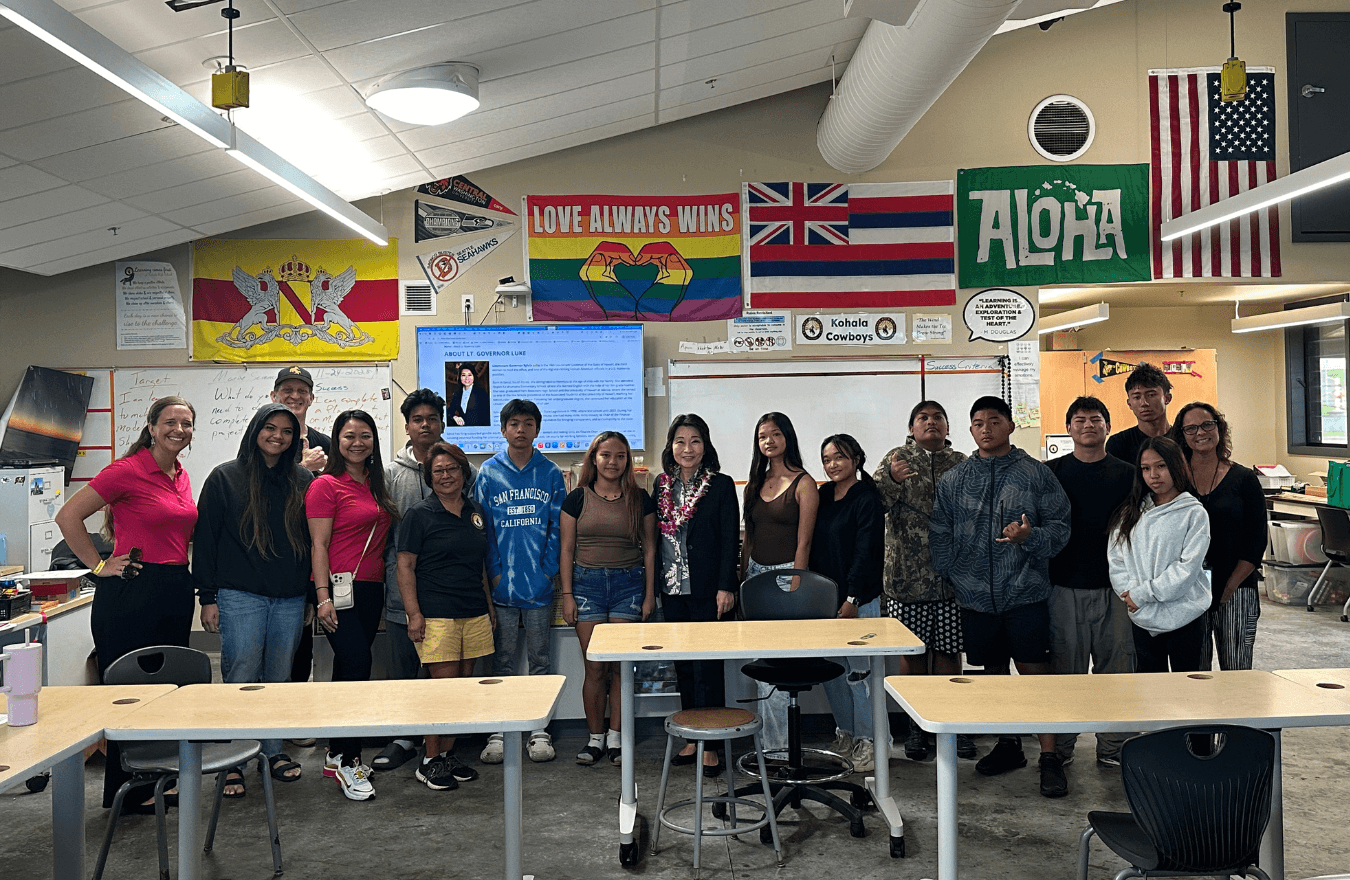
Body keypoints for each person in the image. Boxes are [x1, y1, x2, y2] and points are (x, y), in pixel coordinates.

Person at [54, 396, 198, 814]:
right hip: (132, 589)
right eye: (170, 422)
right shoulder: (127, 470)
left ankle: (156, 781)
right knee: (128, 691)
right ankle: (127, 791)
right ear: (151, 427)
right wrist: (99, 565)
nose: (179, 430)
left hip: (173, 587)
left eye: (187, 424)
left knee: (166, 689)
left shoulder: (180, 474)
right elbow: (67, 517)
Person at [929, 395, 1071, 798]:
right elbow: (939, 529)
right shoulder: (955, 479)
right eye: (977, 422)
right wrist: (952, 570)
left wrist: (1031, 538)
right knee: (993, 676)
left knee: (1035, 680)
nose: (986, 428)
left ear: (1009, 426)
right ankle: (1009, 745)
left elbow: (1060, 528)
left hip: (1024, 593)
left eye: (994, 420)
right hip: (975, 598)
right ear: (970, 430)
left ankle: (1049, 757)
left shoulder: (1035, 474)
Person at [195, 403, 313, 794]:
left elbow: (314, 544)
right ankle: (233, 759)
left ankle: (274, 751)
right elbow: (206, 541)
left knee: (280, 678)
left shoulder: (303, 479)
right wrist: (207, 597)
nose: (278, 436)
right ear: (255, 429)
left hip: (290, 597)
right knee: (242, 675)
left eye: (287, 431)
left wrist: (312, 596)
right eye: (270, 427)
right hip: (240, 595)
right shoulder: (224, 478)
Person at [373, 388, 477, 773]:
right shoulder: (388, 474)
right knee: (404, 667)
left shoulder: (465, 471)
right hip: (404, 592)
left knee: (447, 674)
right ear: (407, 426)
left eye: (432, 419)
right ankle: (404, 736)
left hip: (452, 597)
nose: (425, 425)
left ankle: (442, 746)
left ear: (442, 423)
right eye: (418, 419)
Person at [875, 400, 974, 763]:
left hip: (952, 579)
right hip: (907, 578)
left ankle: (953, 723)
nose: (930, 422)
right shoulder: (896, 459)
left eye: (937, 418)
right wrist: (892, 480)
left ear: (948, 427)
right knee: (913, 654)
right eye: (923, 418)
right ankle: (917, 726)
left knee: (949, 651)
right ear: (911, 428)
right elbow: (874, 504)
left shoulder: (963, 463)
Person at [308, 410, 397, 801]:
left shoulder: (377, 486)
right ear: (336, 440)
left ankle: (335, 753)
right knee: (358, 666)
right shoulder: (325, 485)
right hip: (338, 592)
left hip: (370, 589)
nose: (357, 442)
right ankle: (349, 758)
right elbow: (319, 545)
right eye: (348, 436)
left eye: (365, 435)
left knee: (349, 668)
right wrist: (322, 596)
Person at [1044, 396, 1137, 768]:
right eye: (1079, 419)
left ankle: (1114, 746)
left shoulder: (1129, 473)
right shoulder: (1050, 472)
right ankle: (1061, 747)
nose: (1088, 425)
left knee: (1117, 669)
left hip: (1116, 588)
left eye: (1096, 419)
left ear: (1107, 427)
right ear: (1068, 428)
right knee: (1066, 671)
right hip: (1063, 585)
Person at [473, 399, 567, 764]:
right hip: (502, 587)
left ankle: (539, 731)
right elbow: (483, 530)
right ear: (503, 429)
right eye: (514, 424)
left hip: (541, 585)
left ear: (537, 430)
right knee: (502, 661)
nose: (521, 430)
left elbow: (557, 528)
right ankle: (499, 730)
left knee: (540, 659)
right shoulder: (489, 473)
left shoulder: (550, 473)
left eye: (528, 423)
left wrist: (547, 571)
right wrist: (494, 573)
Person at [396, 442, 494, 790]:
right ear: (429, 477)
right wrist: (414, 614)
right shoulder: (419, 515)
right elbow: (405, 566)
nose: (446, 475)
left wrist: (489, 607)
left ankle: (448, 755)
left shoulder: (476, 513)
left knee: (464, 692)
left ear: (464, 472)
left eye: (452, 468)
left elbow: (480, 566)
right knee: (443, 693)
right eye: (438, 470)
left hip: (474, 612)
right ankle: (429, 761)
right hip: (437, 615)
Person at [560, 431, 656, 767]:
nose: (612, 462)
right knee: (595, 667)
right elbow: (567, 549)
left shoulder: (640, 498)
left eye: (619, 456)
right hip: (586, 587)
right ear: (594, 459)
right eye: (605, 455)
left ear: (627, 460)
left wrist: (648, 595)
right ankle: (595, 738)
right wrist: (568, 595)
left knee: (620, 668)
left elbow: (650, 549)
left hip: (628, 586)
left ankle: (617, 739)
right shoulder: (576, 498)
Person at [655, 414, 739, 776]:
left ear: (705, 446)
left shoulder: (720, 485)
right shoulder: (660, 485)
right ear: (670, 447)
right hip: (673, 589)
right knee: (684, 667)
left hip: (708, 589)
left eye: (695, 441)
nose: (687, 449)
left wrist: (726, 586)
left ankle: (713, 744)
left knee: (709, 667)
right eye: (680, 441)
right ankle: (691, 737)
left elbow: (728, 540)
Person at [741, 411, 818, 752]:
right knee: (762, 664)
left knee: (781, 665)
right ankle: (769, 746)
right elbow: (750, 538)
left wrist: (796, 584)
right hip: (757, 579)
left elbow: (805, 542)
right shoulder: (755, 482)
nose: (768, 441)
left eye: (775, 434)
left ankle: (779, 749)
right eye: (762, 436)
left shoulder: (804, 483)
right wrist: (743, 579)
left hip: (789, 579)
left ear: (787, 437)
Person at [1169, 402, 1266, 670]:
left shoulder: (1244, 478)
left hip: (1236, 588)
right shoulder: (1173, 481)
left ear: (1219, 428)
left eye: (1207, 424)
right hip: (1187, 590)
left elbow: (1256, 540)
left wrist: (1229, 586)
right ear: (1182, 436)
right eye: (1191, 428)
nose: (1200, 432)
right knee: (1192, 671)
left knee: (1236, 669)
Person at [811, 434, 884, 774]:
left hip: (859, 601)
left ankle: (870, 741)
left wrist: (852, 598)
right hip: (825, 602)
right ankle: (847, 734)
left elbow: (866, 551)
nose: (833, 464)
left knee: (859, 674)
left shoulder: (867, 497)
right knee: (834, 674)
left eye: (839, 456)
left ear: (856, 458)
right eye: (827, 459)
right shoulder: (823, 495)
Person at [1107, 437, 1211, 673]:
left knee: (1185, 687)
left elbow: (1187, 568)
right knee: (1149, 685)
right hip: (1141, 613)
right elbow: (1116, 558)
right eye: (1146, 468)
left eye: (1161, 466)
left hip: (1186, 613)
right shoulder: (1132, 511)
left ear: (1176, 466)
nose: (1153, 475)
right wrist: (1130, 594)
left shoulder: (1193, 513)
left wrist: (1144, 593)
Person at [272, 365, 327, 717]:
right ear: (274, 395)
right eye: (287, 390)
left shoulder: (324, 443)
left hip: (308, 557)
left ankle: (294, 717)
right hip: (272, 556)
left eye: (301, 391)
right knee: (268, 647)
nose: (294, 396)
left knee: (301, 642)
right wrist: (303, 468)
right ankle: (265, 720)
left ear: (311, 397)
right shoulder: (264, 438)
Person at [1105, 362, 1173, 467]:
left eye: (1151, 395)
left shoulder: (1183, 438)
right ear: (1129, 403)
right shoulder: (1118, 443)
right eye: (1137, 397)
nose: (1144, 403)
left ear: (1167, 398)